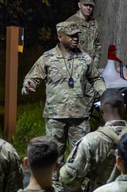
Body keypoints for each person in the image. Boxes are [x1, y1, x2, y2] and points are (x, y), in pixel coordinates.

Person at [22, 21, 107, 161]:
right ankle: (55, 182)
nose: (75, 39)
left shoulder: (85, 58)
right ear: (60, 37)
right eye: (71, 36)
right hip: (56, 116)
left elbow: (96, 78)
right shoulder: (48, 58)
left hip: (79, 115)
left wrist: (104, 93)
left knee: (81, 155)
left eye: (77, 36)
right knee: (54, 155)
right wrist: (28, 85)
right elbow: (31, 78)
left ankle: (79, 182)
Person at [66, 0, 102, 66]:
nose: (88, 8)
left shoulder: (94, 22)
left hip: (91, 66)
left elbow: (97, 44)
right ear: (79, 5)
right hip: (76, 67)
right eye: (85, 5)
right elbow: (65, 48)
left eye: (91, 6)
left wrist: (96, 62)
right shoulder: (71, 22)